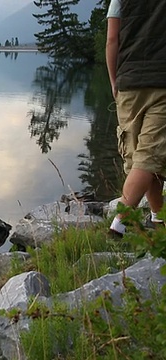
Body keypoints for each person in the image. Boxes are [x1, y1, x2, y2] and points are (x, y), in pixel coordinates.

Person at [106, 0, 166, 236]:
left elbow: (112, 39)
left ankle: (122, 223)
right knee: (149, 155)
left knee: (142, 156)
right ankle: (147, 218)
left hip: (129, 84)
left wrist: (114, 82)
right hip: (162, 83)